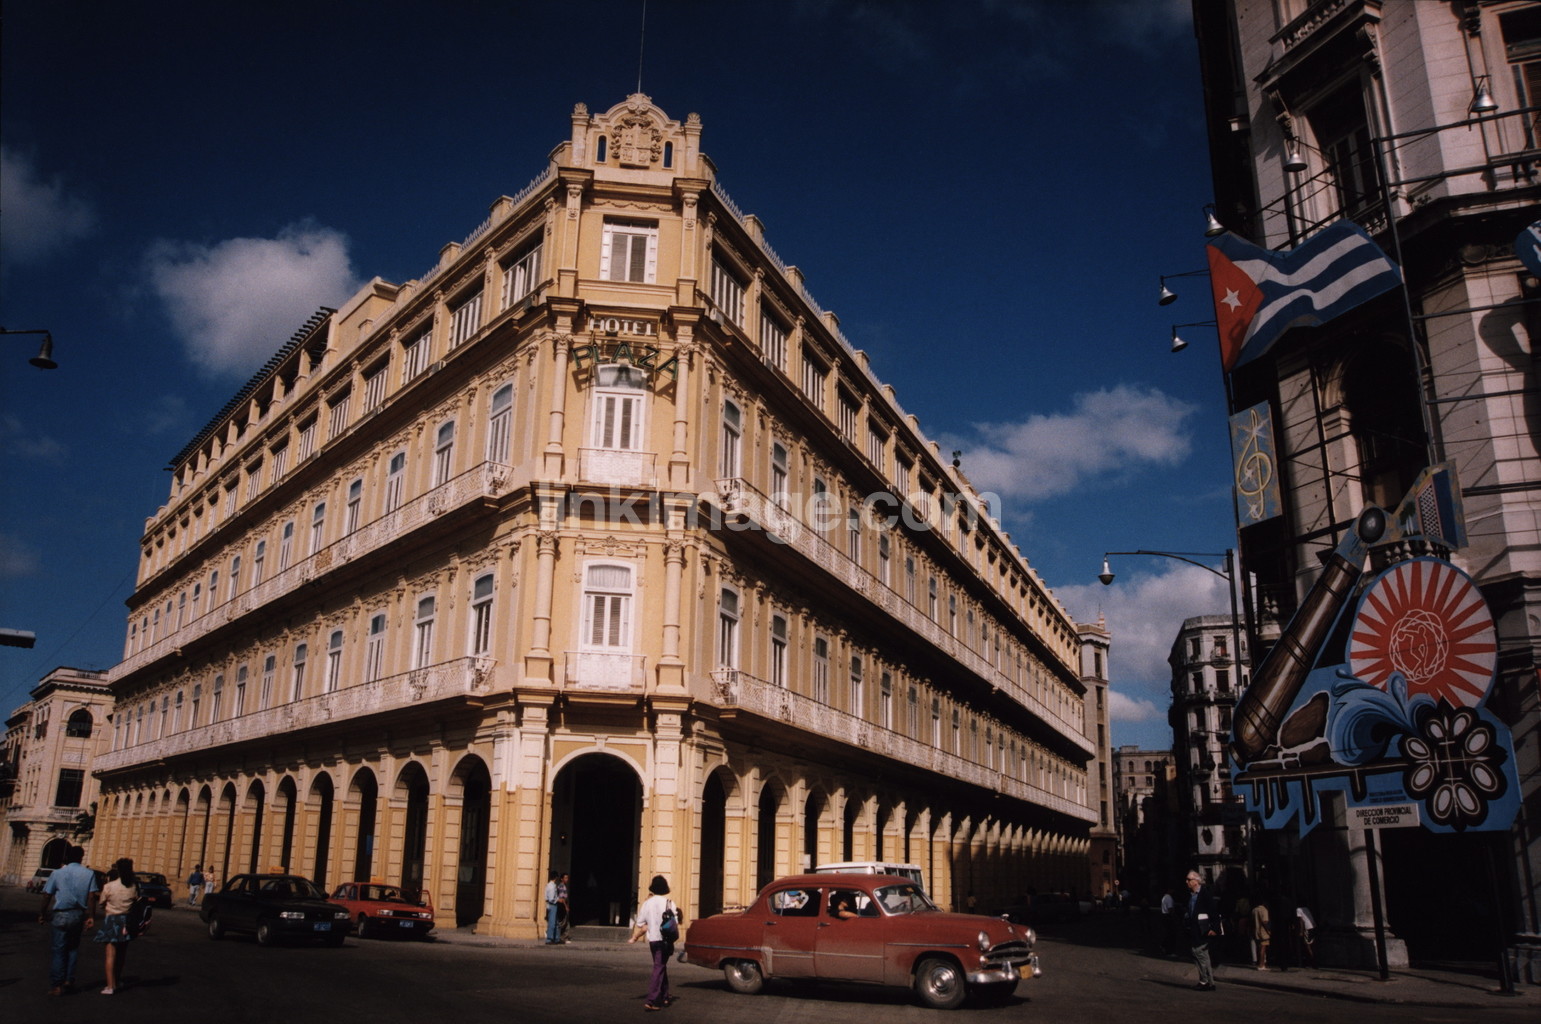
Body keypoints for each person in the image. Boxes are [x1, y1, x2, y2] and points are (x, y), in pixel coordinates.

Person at [38, 844, 99, 996]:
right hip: (78, 915)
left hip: (60, 914)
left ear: (67, 857)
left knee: (59, 950)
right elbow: (92, 896)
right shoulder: (89, 873)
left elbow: (47, 895)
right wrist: (91, 916)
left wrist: (42, 913)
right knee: (73, 949)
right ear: (81, 857)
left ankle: (57, 985)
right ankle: (68, 980)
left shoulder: (57, 873)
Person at [629, 874, 680, 1011]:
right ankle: (652, 1000)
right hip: (665, 940)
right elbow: (675, 921)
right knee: (659, 967)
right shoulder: (669, 902)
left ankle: (665, 996)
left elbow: (640, 923)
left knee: (660, 966)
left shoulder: (647, 903)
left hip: (653, 940)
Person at [94, 858, 139, 994]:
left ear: (118, 870)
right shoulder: (133, 887)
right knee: (121, 955)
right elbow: (136, 902)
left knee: (110, 955)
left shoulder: (109, 886)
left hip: (112, 920)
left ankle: (110, 986)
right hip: (126, 922)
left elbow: (101, 903)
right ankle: (117, 981)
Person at [1183, 870, 1219, 991]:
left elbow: (1213, 912)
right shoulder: (1191, 895)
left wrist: (1214, 928)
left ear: (1196, 881)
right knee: (1204, 956)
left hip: (1203, 930)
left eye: (1189, 880)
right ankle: (1209, 982)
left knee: (1197, 952)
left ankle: (1204, 981)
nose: (1187, 882)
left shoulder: (1204, 894)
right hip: (1194, 929)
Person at [1251, 896, 1271, 970]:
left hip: (1256, 931)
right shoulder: (1264, 910)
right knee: (1263, 948)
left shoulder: (1254, 910)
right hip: (1263, 931)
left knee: (1259, 947)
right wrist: (1268, 931)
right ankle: (1261, 965)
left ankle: (1262, 964)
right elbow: (1265, 922)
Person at [543, 871, 562, 944]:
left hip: (551, 905)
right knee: (552, 923)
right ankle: (549, 939)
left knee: (556, 922)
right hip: (552, 905)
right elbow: (551, 899)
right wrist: (558, 900)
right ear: (556, 877)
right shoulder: (552, 886)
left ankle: (556, 938)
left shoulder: (549, 885)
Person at [1159, 887, 1178, 956]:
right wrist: (1173, 917)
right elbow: (1170, 909)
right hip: (1168, 916)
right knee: (1171, 934)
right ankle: (1169, 950)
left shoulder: (1164, 897)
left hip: (1164, 915)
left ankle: (1164, 946)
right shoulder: (1169, 898)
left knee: (1167, 933)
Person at [556, 872, 571, 943]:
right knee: (563, 922)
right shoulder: (562, 886)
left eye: (567, 878)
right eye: (565, 878)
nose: (566, 879)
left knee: (566, 922)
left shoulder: (563, 886)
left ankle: (564, 937)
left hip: (563, 905)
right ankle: (561, 937)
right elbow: (562, 898)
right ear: (561, 879)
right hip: (562, 905)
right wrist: (566, 906)